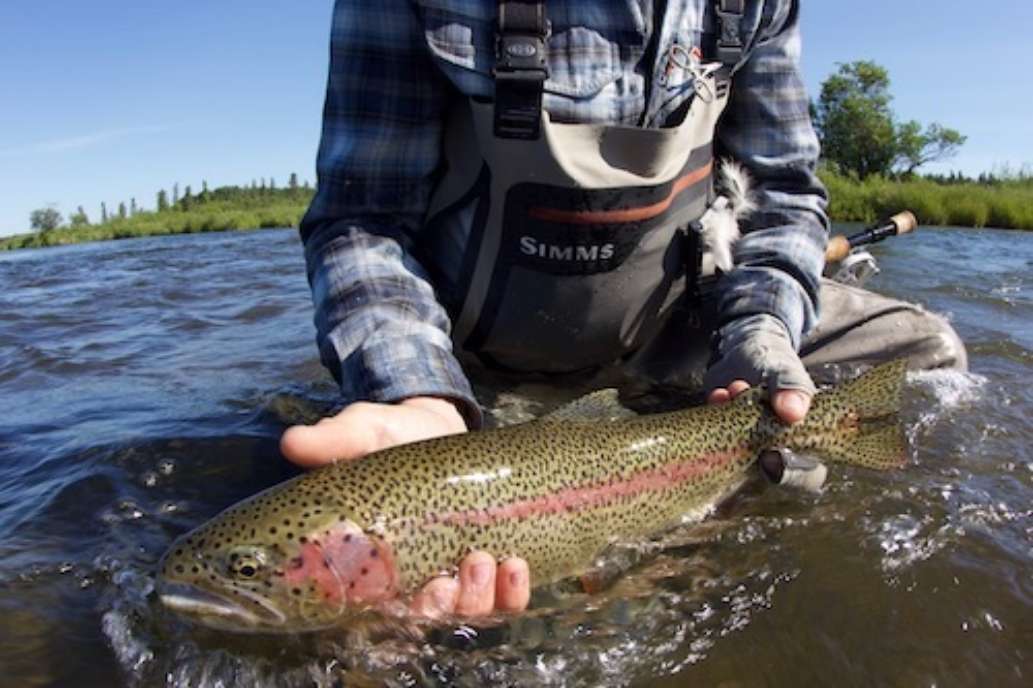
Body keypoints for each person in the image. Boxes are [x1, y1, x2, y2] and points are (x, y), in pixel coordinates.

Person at [280, 0, 966, 620]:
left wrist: (759, 340)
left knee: (924, 354)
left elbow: (783, 195)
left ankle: (707, 522)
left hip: (680, 320)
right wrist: (415, 392)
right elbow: (363, 218)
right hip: (473, 355)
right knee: (409, 631)